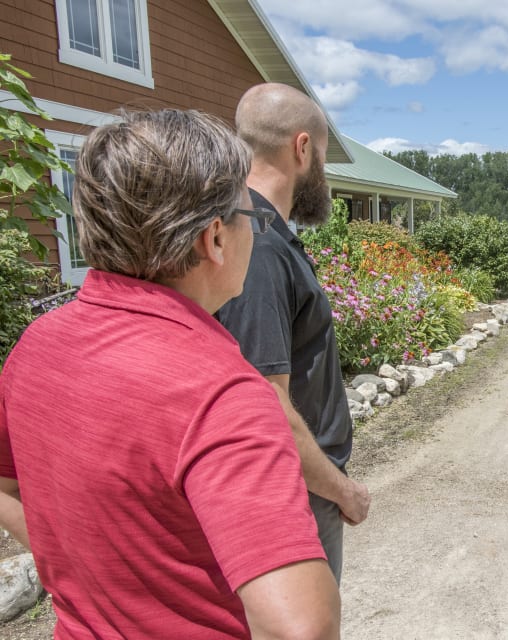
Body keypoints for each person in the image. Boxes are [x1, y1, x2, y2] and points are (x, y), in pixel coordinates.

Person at [0, 109, 340, 639]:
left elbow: (6, 486)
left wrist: (87, 566)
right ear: (216, 240)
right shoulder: (222, 392)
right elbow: (301, 627)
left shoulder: (36, 346)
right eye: (254, 219)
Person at [216, 83, 370, 585]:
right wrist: (340, 490)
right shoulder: (258, 246)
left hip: (300, 483)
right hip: (297, 492)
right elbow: (265, 403)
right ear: (303, 149)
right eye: (324, 156)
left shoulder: (263, 233)